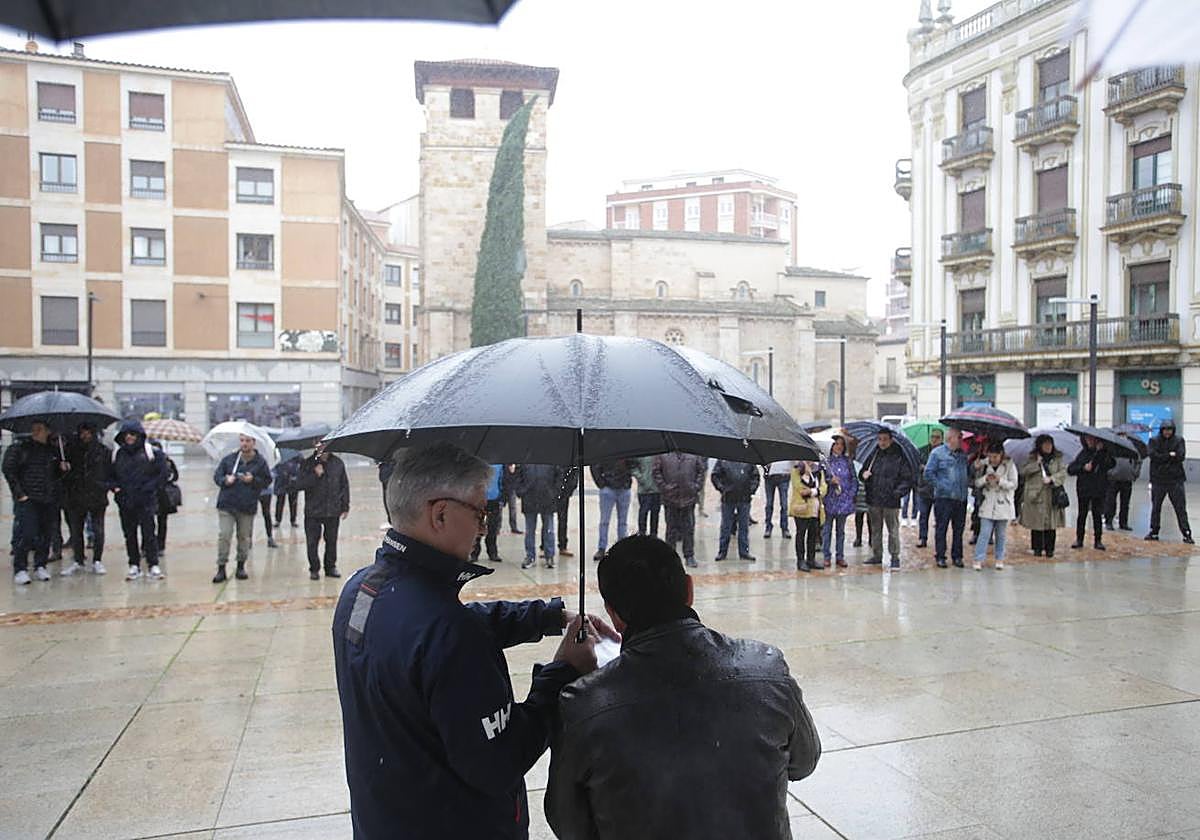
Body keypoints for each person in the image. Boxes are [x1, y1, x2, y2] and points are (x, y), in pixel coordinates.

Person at [332, 441, 612, 840]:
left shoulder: (362, 590)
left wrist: (545, 616)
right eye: (480, 512)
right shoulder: (447, 632)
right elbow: (500, 762)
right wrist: (563, 673)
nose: (483, 527)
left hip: (385, 817)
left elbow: (425, 631)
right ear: (440, 514)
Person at [545, 535, 821, 840]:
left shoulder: (584, 705)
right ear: (689, 589)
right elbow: (804, 762)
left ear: (614, 614)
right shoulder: (767, 668)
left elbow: (568, 824)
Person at [3, 419, 67, 583]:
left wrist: (62, 469)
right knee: (26, 533)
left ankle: (40, 565)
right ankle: (20, 568)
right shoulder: (21, 448)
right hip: (28, 498)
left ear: (48, 431)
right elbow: (9, 470)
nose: (36, 431)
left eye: (40, 429)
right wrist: (19, 494)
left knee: (45, 534)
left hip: (48, 499)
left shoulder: (53, 451)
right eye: (34, 429)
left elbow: (56, 476)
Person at [111, 419, 167, 581]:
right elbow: (110, 475)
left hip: (146, 500)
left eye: (133, 434)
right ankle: (133, 564)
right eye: (126, 434)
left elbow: (162, 474)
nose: (129, 437)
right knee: (130, 534)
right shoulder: (118, 454)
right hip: (125, 501)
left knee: (149, 533)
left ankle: (153, 564)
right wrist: (115, 488)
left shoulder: (152, 453)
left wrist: (150, 487)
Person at [211, 433, 271, 583]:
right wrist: (225, 480)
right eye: (242, 440)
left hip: (247, 505)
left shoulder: (260, 462)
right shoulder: (230, 459)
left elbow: (266, 481)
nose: (244, 444)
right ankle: (221, 567)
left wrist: (253, 480)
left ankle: (240, 565)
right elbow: (217, 476)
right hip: (227, 504)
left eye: (247, 441)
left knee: (243, 537)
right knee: (224, 535)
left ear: (253, 442)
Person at [61, 422, 111, 576]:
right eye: (82, 432)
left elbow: (109, 472)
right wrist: (63, 469)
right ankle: (78, 560)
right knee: (76, 530)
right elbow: (63, 475)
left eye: (88, 432)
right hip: (76, 495)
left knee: (98, 530)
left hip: (97, 496)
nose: (85, 435)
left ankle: (97, 560)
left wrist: (105, 486)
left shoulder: (103, 451)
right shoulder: (70, 450)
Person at [293, 446, 350, 580]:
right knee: (312, 541)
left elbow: (344, 485)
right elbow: (299, 484)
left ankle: (330, 567)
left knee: (331, 540)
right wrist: (315, 475)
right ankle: (314, 568)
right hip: (313, 511)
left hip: (332, 509)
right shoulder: (307, 463)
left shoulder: (337, 463)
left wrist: (345, 505)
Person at [860, 429, 912, 569]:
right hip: (874, 499)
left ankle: (894, 556)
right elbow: (863, 472)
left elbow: (906, 479)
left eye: (884, 439)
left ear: (890, 440)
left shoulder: (899, 457)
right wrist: (863, 475)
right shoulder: (874, 455)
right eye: (880, 439)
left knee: (893, 530)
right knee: (876, 529)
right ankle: (877, 555)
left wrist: (897, 493)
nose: (882, 442)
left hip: (891, 501)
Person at [652, 450, 706, 568]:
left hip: (688, 498)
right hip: (670, 498)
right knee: (671, 530)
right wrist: (664, 487)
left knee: (688, 529)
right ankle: (669, 557)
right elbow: (656, 472)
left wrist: (695, 487)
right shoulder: (663, 455)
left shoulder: (693, 454)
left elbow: (701, 471)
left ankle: (689, 555)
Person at [925, 427, 969, 569]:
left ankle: (957, 556)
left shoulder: (963, 455)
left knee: (959, 529)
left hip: (960, 498)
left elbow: (967, 474)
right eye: (959, 437)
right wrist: (941, 486)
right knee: (941, 528)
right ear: (950, 439)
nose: (961, 440)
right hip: (944, 498)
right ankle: (940, 556)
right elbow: (928, 473)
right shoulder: (937, 453)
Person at [1145, 419, 1193, 544]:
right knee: (1156, 507)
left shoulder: (1179, 440)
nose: (1167, 432)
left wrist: (1164, 457)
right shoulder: (1154, 441)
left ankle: (1186, 533)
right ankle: (1154, 531)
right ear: (1161, 430)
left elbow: (1180, 456)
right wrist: (1169, 455)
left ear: (1173, 430)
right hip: (1158, 479)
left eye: (1170, 430)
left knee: (1180, 508)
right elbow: (1153, 456)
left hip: (1175, 480)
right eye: (1165, 430)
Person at [1019, 433, 1067, 557]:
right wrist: (1036, 464)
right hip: (1036, 495)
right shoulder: (1032, 458)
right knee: (1036, 523)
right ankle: (1037, 548)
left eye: (1050, 444)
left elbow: (1063, 473)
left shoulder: (1057, 459)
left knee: (1051, 523)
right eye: (1045, 444)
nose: (1048, 447)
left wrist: (1052, 479)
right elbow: (1023, 471)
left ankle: (1050, 549)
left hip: (1051, 494)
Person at [973, 442, 1017, 571]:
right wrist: (985, 479)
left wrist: (1000, 481)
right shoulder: (983, 464)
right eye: (990, 456)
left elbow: (1014, 484)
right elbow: (976, 483)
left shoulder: (1009, 465)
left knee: (1001, 534)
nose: (993, 459)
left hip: (1003, 503)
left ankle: (999, 558)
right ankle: (978, 559)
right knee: (984, 533)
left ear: (1001, 455)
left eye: (995, 457)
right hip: (987, 502)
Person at [1068, 435, 1114, 551]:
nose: (1089, 442)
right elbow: (1071, 469)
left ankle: (1098, 540)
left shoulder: (1103, 454)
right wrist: (1083, 468)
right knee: (1082, 514)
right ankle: (1079, 539)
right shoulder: (1083, 454)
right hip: (1084, 489)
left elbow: (1111, 464)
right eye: (1087, 439)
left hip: (1098, 488)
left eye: (1092, 440)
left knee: (1097, 514)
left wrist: (1101, 453)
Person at [515, 463, 564, 569]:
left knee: (549, 530)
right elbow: (517, 476)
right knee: (530, 531)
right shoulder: (525, 459)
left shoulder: (551, 459)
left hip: (547, 498)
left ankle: (549, 556)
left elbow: (559, 476)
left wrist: (555, 492)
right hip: (529, 499)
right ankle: (530, 556)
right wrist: (521, 491)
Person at [711, 459, 760, 562]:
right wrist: (722, 488)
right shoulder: (723, 460)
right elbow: (715, 475)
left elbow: (755, 476)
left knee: (744, 527)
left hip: (744, 498)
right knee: (726, 527)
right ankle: (722, 551)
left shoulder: (748, 459)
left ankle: (744, 552)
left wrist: (751, 489)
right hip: (728, 498)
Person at [821, 434, 857, 568]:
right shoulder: (826, 462)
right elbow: (821, 479)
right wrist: (830, 481)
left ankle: (840, 556)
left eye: (841, 444)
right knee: (827, 529)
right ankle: (826, 555)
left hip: (843, 500)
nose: (839, 447)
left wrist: (850, 494)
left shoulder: (848, 461)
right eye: (836, 444)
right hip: (830, 500)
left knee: (840, 530)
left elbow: (854, 479)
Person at [590, 458, 634, 561]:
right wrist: (601, 483)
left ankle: (622, 547)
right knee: (604, 521)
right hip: (608, 488)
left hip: (624, 488)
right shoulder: (603, 450)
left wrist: (628, 480)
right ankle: (602, 548)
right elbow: (594, 465)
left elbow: (634, 462)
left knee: (622, 522)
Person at [789, 461, 824, 571]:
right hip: (802, 509)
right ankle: (800, 560)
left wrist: (814, 491)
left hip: (815, 508)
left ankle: (811, 559)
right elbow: (801, 489)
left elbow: (823, 487)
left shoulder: (818, 471)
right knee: (801, 534)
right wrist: (805, 474)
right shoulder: (796, 471)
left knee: (813, 534)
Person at [914, 428, 943, 548]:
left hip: (938, 489)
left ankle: (939, 540)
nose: (934, 439)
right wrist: (921, 467)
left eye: (937, 437)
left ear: (941, 439)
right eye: (932, 437)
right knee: (923, 515)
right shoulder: (922, 451)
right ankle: (922, 537)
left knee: (939, 517)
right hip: (924, 488)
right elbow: (915, 465)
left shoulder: (944, 452)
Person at [472, 464, 505, 564]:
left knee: (493, 528)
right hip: (478, 499)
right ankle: (474, 552)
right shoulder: (477, 463)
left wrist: (502, 496)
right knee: (477, 527)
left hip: (494, 500)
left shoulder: (500, 465)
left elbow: (503, 480)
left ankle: (492, 552)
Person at [1104, 449, 1140, 531]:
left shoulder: (1132, 448)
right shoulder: (1112, 448)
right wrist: (1109, 472)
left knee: (1125, 503)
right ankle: (1109, 521)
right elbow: (1106, 460)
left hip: (1127, 479)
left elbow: (1138, 460)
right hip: (1113, 479)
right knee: (1110, 501)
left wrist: (1135, 473)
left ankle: (1123, 522)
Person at [154, 447, 180, 558]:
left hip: (162, 496)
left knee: (160, 523)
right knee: (153, 523)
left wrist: (168, 476)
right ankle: (154, 546)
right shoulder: (147, 461)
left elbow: (175, 476)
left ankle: (159, 546)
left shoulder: (167, 462)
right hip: (155, 496)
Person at [631, 456, 661, 538]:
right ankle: (642, 534)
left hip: (657, 489)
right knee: (643, 512)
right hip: (644, 490)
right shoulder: (641, 453)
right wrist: (641, 478)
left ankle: (654, 535)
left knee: (655, 514)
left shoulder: (658, 453)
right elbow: (632, 466)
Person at [762, 460, 792, 539]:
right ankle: (768, 527)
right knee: (769, 504)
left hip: (784, 476)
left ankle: (785, 528)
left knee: (784, 505)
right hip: (770, 477)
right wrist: (766, 466)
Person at [273, 454, 301, 529]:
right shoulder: (278, 452)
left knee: (293, 502)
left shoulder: (296, 452)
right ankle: (278, 520)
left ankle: (293, 520)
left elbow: (301, 461)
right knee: (280, 502)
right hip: (281, 480)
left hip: (293, 480)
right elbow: (274, 462)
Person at [557, 467, 578, 558]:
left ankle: (562, 545)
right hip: (550, 488)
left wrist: (569, 489)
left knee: (563, 519)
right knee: (546, 518)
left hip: (563, 491)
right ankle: (544, 546)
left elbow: (574, 472)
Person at [257, 468, 278, 549]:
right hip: (253, 490)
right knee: (249, 514)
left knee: (266, 514)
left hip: (266, 491)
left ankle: (270, 537)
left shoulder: (266, 464)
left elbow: (272, 476)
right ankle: (248, 539)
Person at [503, 464, 523, 535]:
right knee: (501, 508)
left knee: (512, 508)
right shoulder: (504, 466)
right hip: (505, 486)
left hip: (511, 487)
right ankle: (498, 527)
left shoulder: (518, 466)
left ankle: (513, 527)